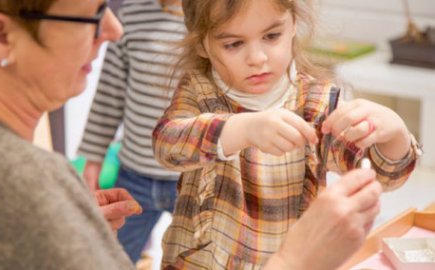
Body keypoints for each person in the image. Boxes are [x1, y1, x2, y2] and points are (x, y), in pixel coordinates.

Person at [153, 0, 421, 268]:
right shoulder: (199, 91)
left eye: (271, 36)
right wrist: (242, 129)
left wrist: (394, 135)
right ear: (202, 44)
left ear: (293, 25)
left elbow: (381, 177)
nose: (257, 58)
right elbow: (167, 144)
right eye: (234, 44)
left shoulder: (315, 101)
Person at [0, 0, 141, 269]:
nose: (115, 31)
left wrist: (62, 231)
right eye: (95, 15)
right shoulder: (23, 177)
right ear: (0, 36)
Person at [77, 0, 185, 263]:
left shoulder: (212, 16)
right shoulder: (130, 14)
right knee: (115, 256)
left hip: (191, 178)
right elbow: (109, 94)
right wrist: (93, 160)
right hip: (134, 176)